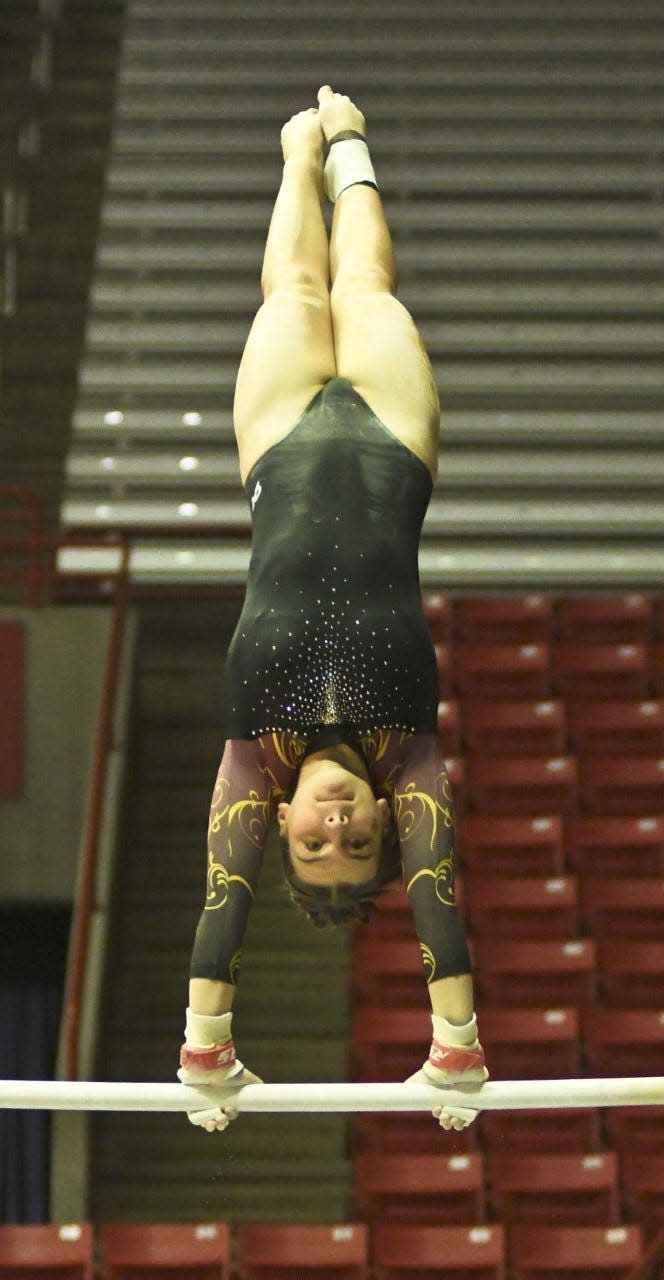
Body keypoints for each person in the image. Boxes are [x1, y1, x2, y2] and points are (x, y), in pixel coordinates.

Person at [177, 86, 487, 1133]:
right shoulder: (405, 758)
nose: (337, 824)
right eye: (357, 842)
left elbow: (220, 909)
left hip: (277, 443)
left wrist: (206, 1050)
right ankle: (347, 143)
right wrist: (454, 1047)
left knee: (294, 284)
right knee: (362, 278)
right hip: (394, 442)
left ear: (279, 830)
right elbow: (436, 897)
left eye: (314, 844)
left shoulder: (248, 759)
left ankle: (291, 154)